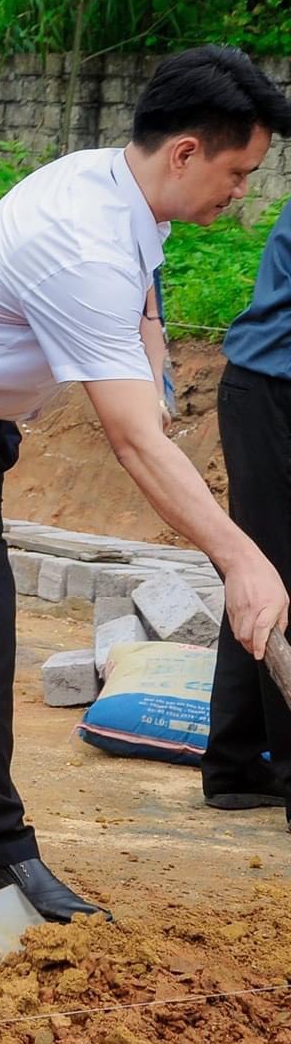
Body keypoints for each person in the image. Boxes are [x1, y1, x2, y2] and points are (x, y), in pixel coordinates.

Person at [0, 45, 291, 921]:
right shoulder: (84, 243)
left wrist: (154, 357)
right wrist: (243, 560)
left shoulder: (119, 188)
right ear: (187, 153)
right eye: (239, 173)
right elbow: (128, 438)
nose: (243, 193)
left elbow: (144, 296)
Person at [203, 196, 291, 813]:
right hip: (276, 395)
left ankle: (236, 762)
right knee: (272, 576)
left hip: (262, 392)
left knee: (260, 576)